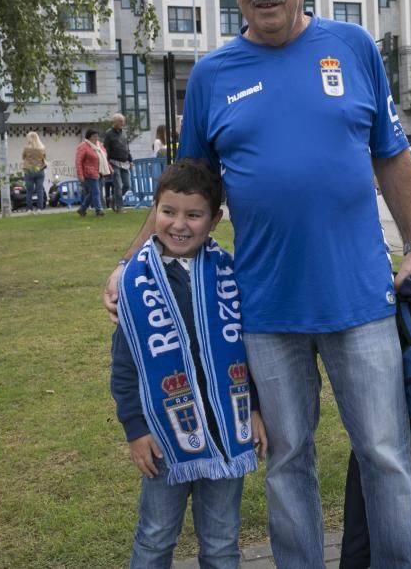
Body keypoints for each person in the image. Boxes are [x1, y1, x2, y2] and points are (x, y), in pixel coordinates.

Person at [103, 0, 411, 568]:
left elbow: (392, 157)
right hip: (265, 309)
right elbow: (183, 187)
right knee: (287, 461)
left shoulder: (354, 47)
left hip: (360, 297)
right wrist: (130, 262)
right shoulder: (213, 74)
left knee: (385, 457)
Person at [110, 159, 268, 568]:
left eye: (193, 215)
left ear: (214, 219)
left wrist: (252, 408)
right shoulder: (135, 283)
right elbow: (125, 365)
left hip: (227, 431)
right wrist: (135, 428)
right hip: (164, 437)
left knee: (220, 542)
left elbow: (244, 351)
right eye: (168, 212)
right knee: (156, 537)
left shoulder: (229, 275)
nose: (179, 224)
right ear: (154, 210)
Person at [103, 113, 134, 213]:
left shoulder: (124, 133)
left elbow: (127, 148)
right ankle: (120, 207)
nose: (122, 123)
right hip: (114, 162)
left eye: (123, 121)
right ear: (115, 122)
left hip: (124, 162)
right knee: (118, 185)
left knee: (127, 185)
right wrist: (106, 162)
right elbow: (106, 149)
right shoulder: (109, 133)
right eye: (120, 121)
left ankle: (113, 198)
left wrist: (130, 160)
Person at [74, 129, 109, 217]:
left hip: (100, 171)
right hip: (89, 172)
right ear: (89, 137)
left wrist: (109, 168)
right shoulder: (83, 146)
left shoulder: (99, 145)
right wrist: (80, 175)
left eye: (97, 136)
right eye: (94, 136)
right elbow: (78, 161)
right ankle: (99, 210)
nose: (96, 138)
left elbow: (104, 157)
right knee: (96, 192)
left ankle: (82, 209)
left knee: (93, 193)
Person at [21, 132, 48, 211]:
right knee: (40, 190)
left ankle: (29, 209)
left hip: (29, 171)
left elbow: (23, 157)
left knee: (29, 191)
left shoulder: (26, 148)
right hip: (40, 170)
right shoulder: (42, 148)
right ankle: (40, 208)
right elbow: (45, 157)